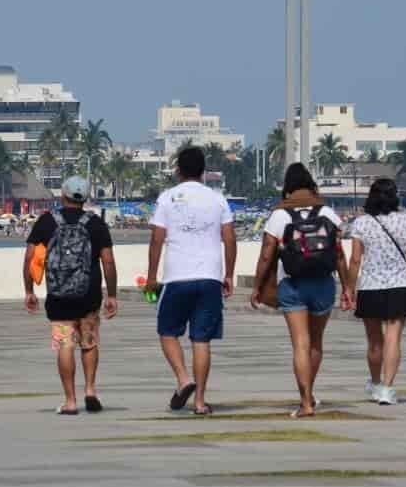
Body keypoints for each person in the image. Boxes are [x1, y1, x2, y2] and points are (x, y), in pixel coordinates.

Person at [250, 163, 352, 418]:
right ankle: (310, 393)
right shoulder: (328, 213)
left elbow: (265, 256)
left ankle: (306, 402)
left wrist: (257, 286)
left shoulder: (279, 215)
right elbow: (340, 255)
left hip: (292, 284)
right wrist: (348, 287)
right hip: (323, 283)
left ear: (287, 188)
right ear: (311, 185)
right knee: (316, 342)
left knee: (300, 344)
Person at [145, 146, 237, 415]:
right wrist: (228, 274)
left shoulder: (167, 198)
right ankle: (199, 402)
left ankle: (184, 379)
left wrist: (152, 277)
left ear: (178, 171)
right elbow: (229, 238)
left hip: (177, 277)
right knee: (201, 340)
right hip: (209, 277)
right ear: (204, 172)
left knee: (167, 331)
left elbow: (156, 239)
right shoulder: (218, 199)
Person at [24, 176, 118, 415]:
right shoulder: (95, 224)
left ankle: (70, 401)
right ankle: (90, 390)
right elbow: (107, 261)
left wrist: (29, 290)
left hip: (59, 296)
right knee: (89, 343)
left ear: (63, 194)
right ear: (85, 198)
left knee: (65, 345)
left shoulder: (47, 221)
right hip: (89, 295)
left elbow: (30, 259)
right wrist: (112, 295)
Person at [347, 178, 406, 406]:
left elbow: (355, 260)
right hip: (399, 285)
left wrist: (349, 289)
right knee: (393, 338)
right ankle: (388, 388)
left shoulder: (362, 223)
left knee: (374, 341)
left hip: (371, 286)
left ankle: (374, 382)